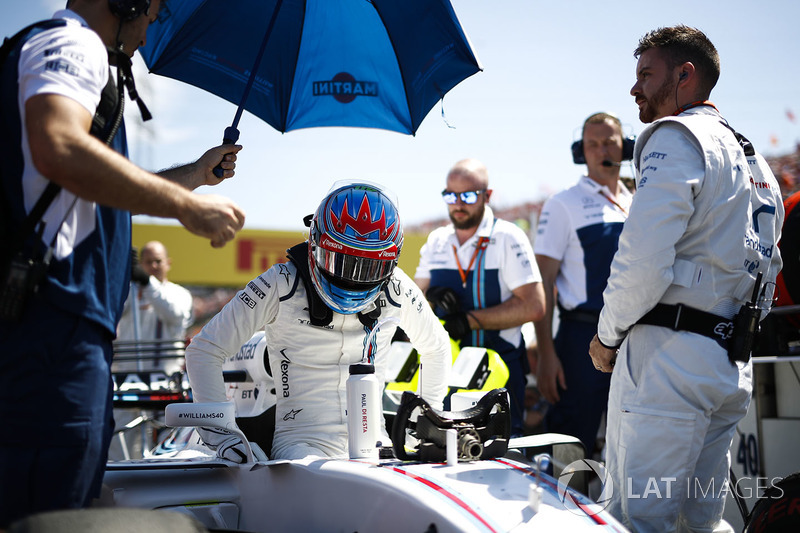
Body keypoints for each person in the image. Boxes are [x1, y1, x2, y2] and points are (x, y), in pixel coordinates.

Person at [0, 1, 245, 527]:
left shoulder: (65, 49)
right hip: (54, 332)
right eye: (152, 11)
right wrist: (186, 207)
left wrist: (194, 177)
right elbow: (59, 145)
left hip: (57, 334)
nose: (151, 24)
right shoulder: (76, 43)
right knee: (49, 518)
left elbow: (101, 186)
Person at [588, 25, 783, 530]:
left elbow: (642, 259)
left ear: (685, 75)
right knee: (700, 522)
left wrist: (607, 336)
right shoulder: (757, 162)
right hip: (728, 363)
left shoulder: (677, 136)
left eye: (646, 75)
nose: (635, 89)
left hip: (669, 365)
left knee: (638, 520)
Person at [186, 181, 451, 461]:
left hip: (377, 446)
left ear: (392, 260)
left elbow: (437, 348)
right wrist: (222, 436)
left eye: (370, 265)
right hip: (301, 449)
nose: (354, 277)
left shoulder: (397, 287)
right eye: (343, 261)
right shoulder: (281, 283)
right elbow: (204, 350)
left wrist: (424, 426)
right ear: (314, 242)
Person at [415, 159, 545, 437]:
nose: (458, 204)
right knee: (443, 453)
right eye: (450, 195)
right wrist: (429, 297)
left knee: (502, 456)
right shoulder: (437, 240)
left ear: (488, 196)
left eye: (468, 196)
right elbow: (413, 301)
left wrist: (469, 321)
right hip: (446, 372)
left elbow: (534, 306)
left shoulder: (508, 236)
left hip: (499, 370)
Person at [533, 112, 633, 456]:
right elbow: (543, 281)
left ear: (627, 146)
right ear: (581, 152)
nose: (601, 149)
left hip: (637, 337)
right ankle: (563, 510)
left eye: (609, 142)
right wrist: (547, 354)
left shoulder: (642, 199)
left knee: (634, 446)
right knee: (571, 448)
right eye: (592, 144)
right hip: (581, 339)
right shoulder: (564, 203)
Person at [117, 240, 194, 376]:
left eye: (158, 261)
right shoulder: (129, 291)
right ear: (140, 265)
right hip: (128, 377)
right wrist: (122, 278)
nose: (153, 266)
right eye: (148, 262)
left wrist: (147, 283)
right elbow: (115, 311)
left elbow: (175, 315)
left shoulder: (179, 293)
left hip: (166, 377)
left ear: (168, 263)